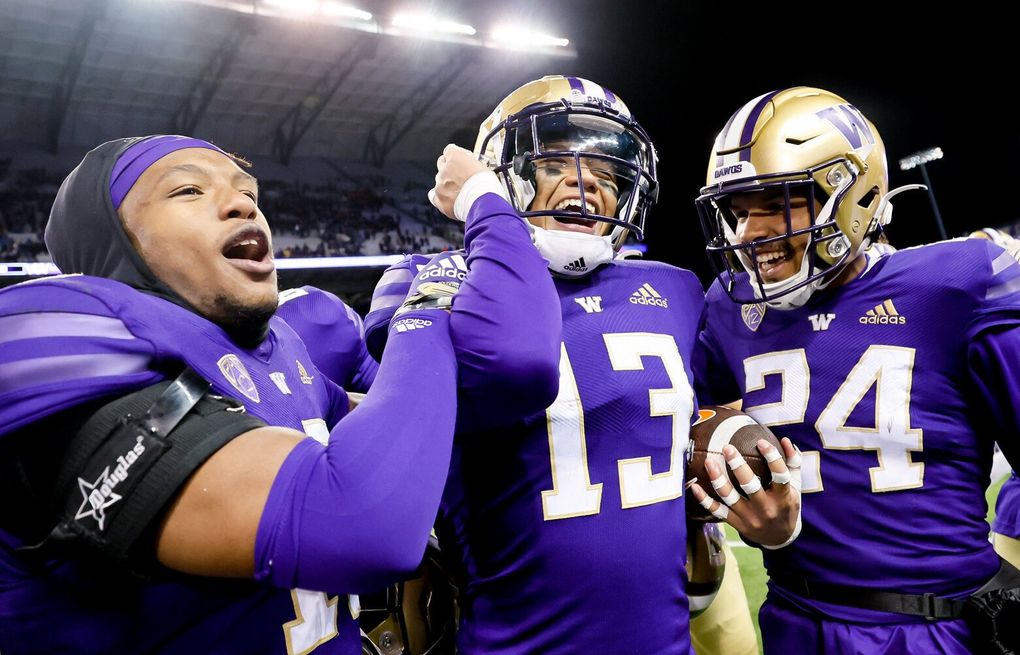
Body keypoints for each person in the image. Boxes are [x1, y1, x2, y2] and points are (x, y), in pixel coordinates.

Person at [0, 134, 560, 654]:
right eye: (189, 190)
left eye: (248, 193)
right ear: (109, 236)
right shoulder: (48, 330)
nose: (244, 206)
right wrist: (427, 312)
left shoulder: (278, 348)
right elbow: (358, 523)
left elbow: (434, 417)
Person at [364, 75, 801, 655]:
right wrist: (485, 215)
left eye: (608, 172)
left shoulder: (674, 289)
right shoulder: (434, 275)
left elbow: (720, 407)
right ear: (504, 177)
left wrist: (756, 502)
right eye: (554, 163)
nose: (588, 183)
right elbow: (496, 367)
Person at [693, 87, 1020, 653]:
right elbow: (702, 418)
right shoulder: (729, 308)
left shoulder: (959, 283)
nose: (748, 234)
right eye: (739, 210)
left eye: (775, 202)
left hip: (935, 627)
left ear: (851, 195)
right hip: (794, 615)